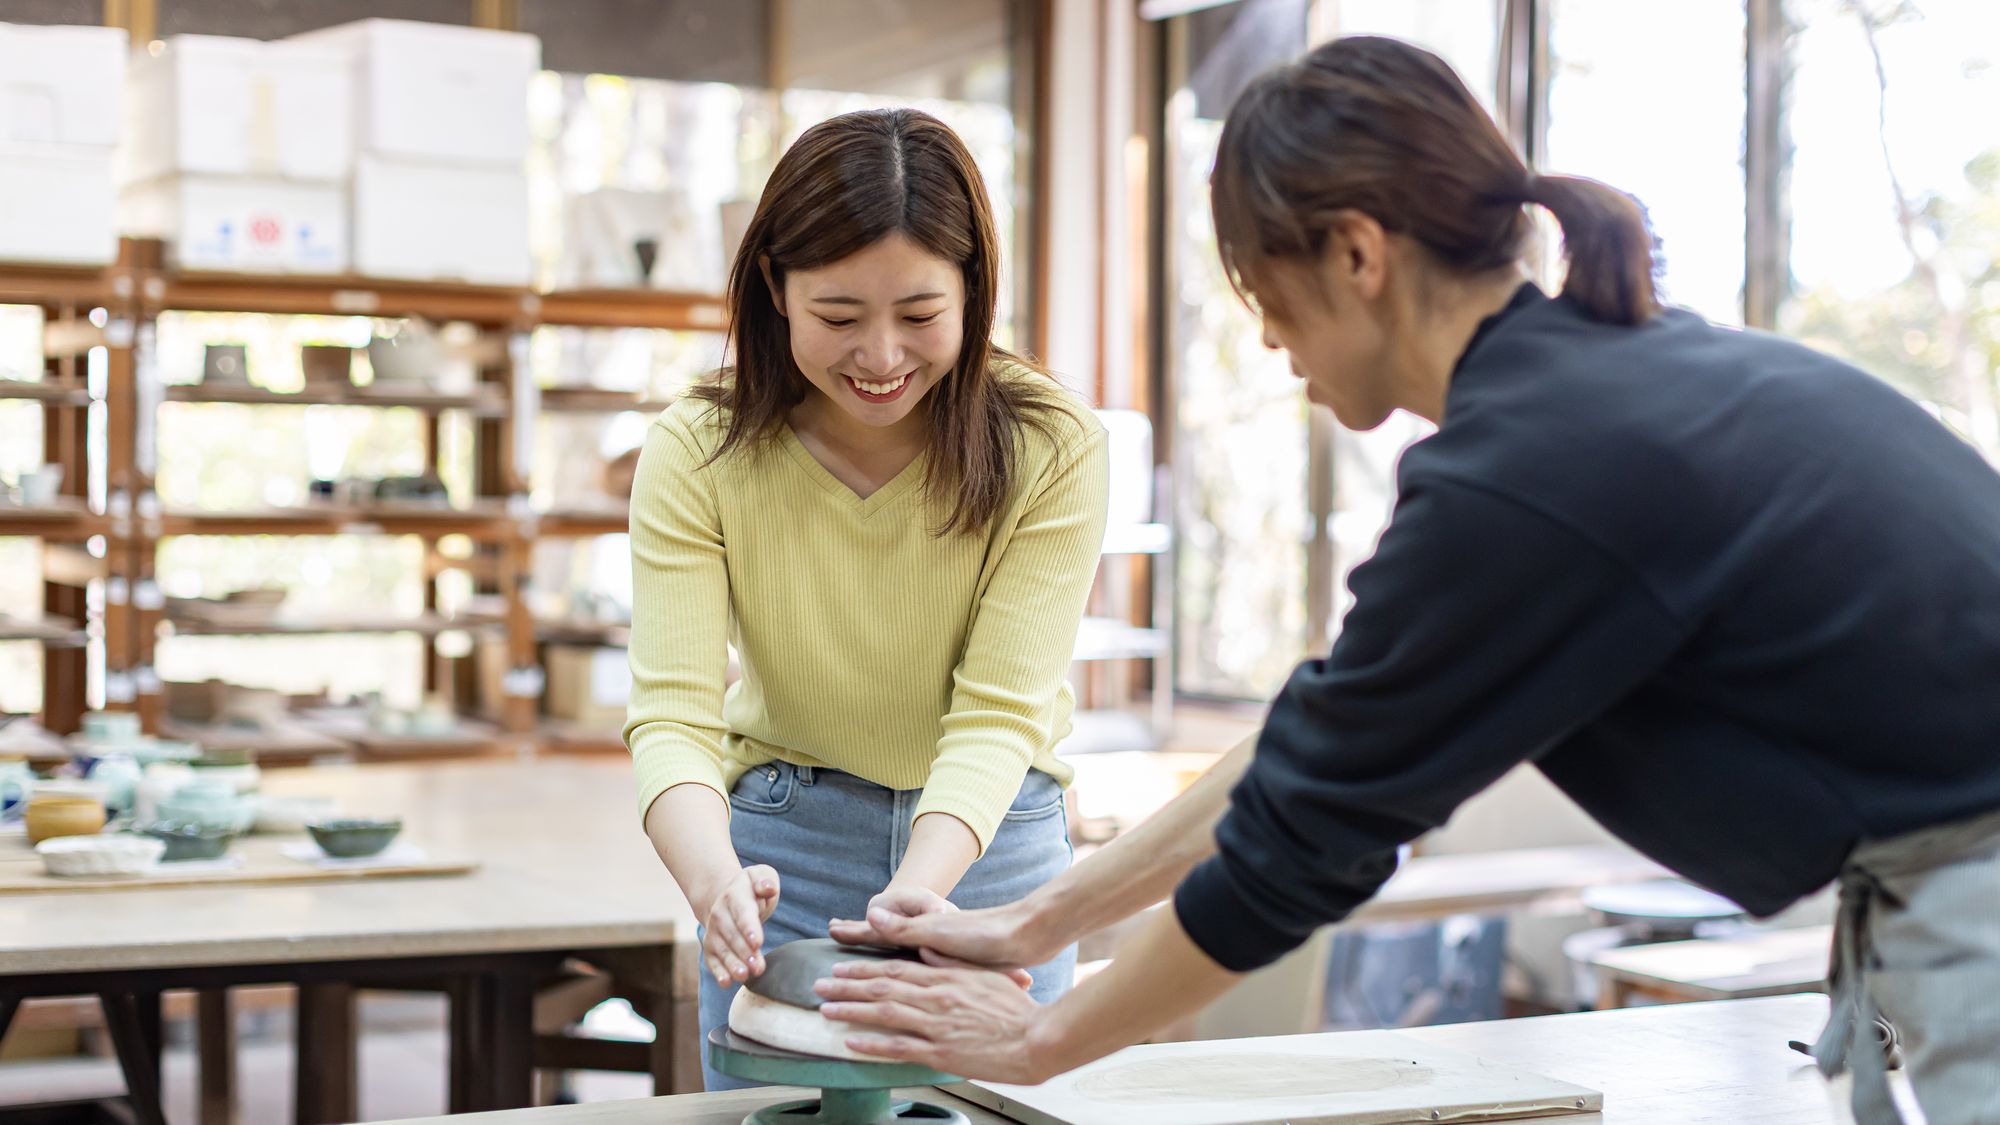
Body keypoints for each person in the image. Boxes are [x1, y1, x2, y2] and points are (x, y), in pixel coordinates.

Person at [810, 37, 2000, 1125]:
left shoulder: (1533, 470)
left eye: (1262, 294)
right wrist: (1035, 922)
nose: (1266, 340)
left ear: (1355, 254)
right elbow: (1323, 744)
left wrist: (1039, 1041)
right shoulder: (1601, 392)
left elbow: (1307, 836)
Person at [622, 107, 1109, 1091]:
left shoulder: (1051, 446)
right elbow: (671, 712)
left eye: (920, 315)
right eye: (839, 317)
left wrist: (911, 903)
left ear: (972, 290)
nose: (881, 357)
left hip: (988, 859)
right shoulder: (700, 448)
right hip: (781, 859)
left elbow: (998, 714)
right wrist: (713, 879)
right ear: (774, 288)